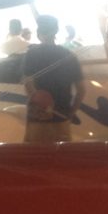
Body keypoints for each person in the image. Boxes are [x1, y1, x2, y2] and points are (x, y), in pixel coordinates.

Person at [20, 14, 85, 143]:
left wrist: (40, 106)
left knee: (35, 154)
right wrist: (70, 113)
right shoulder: (69, 55)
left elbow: (28, 83)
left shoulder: (31, 54)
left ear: (38, 32)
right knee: (61, 155)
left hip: (37, 120)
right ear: (56, 31)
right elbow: (81, 90)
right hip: (61, 119)